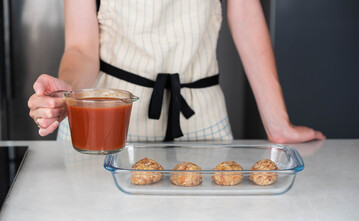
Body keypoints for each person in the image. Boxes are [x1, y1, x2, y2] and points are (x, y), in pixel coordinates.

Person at [28, 0, 325, 143]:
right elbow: (81, 48)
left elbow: (245, 9)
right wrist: (69, 93)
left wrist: (277, 122)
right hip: (106, 121)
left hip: (200, 120)